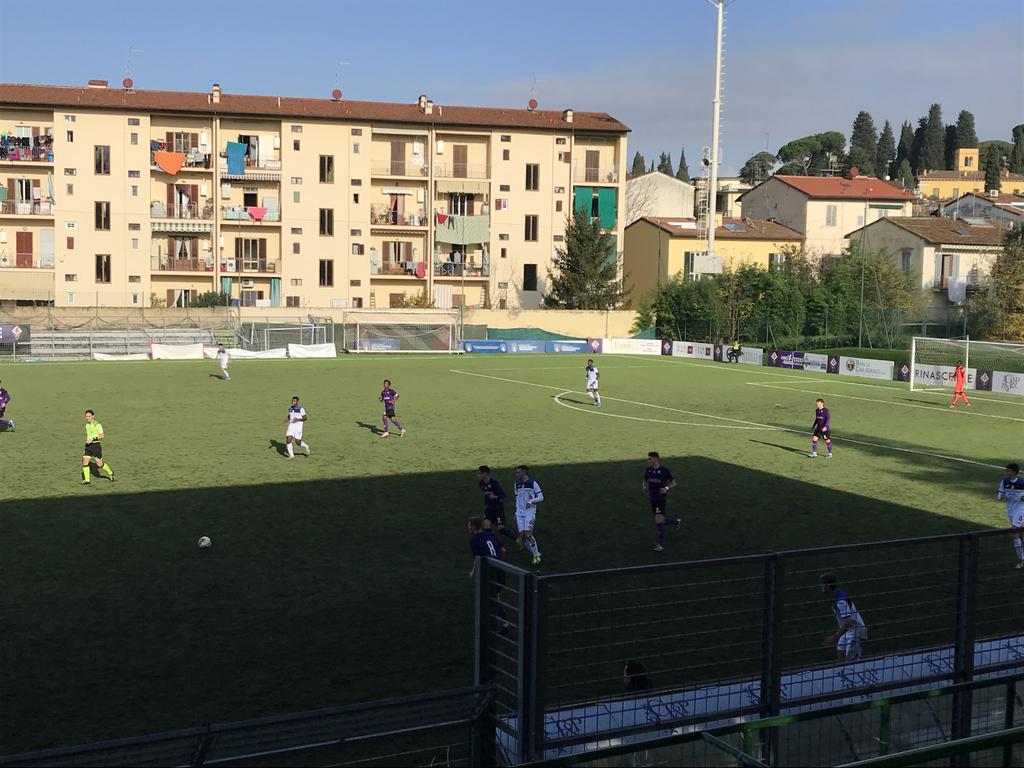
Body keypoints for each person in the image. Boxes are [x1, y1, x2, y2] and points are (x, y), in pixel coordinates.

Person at [468, 516, 509, 632]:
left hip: (490, 572)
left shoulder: (474, 540)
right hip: (501, 569)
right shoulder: (490, 534)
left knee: (489, 597)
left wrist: (473, 571)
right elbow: (503, 550)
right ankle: (503, 622)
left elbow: (478, 558)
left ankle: (496, 623)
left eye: (469, 525)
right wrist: (501, 563)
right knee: (495, 596)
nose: (468, 528)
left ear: (473, 527)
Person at [821, 573, 868, 661]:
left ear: (828, 586)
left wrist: (834, 637)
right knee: (840, 656)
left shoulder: (841, 601)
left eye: (823, 584)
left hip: (857, 631)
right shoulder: (836, 595)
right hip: (848, 631)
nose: (821, 586)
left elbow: (847, 622)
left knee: (851, 662)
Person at [644, 452, 681, 552]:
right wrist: (644, 487)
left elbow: (674, 483)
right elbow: (645, 479)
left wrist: (666, 488)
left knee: (658, 520)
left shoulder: (664, 471)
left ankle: (660, 545)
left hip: (660, 499)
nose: (648, 460)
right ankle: (676, 521)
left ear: (656, 459)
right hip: (652, 499)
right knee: (660, 519)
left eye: (649, 459)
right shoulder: (648, 470)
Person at [514, 465, 544, 566]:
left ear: (524, 473)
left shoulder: (533, 483)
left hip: (529, 513)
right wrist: (516, 512)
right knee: (522, 535)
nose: (516, 474)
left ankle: (536, 555)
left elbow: (541, 497)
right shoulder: (516, 484)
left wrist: (531, 501)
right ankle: (535, 553)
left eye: (518, 472)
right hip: (519, 513)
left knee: (528, 534)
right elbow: (517, 499)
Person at [478, 465, 517, 543]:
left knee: (501, 529)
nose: (479, 475)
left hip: (498, 509)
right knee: (486, 527)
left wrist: (495, 496)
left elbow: (503, 495)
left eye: (480, 473)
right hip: (488, 508)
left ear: (485, 474)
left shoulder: (494, 483)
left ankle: (517, 540)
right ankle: (491, 545)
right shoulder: (481, 483)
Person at [997, 462, 1024, 569]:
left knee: (1014, 533)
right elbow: (1000, 492)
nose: (1006, 472)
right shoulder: (1004, 482)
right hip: (1010, 511)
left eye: (1008, 471)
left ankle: (1021, 560)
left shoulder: (1022, 482)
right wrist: (999, 496)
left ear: (1014, 472)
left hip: (1020, 510)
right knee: (1020, 533)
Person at [81, 409, 115, 485]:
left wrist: (92, 439)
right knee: (85, 461)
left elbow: (102, 436)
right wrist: (87, 443)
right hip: (88, 446)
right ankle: (87, 480)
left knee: (99, 464)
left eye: (89, 416)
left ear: (93, 416)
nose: (87, 418)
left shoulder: (97, 425)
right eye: (86, 416)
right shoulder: (87, 425)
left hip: (96, 446)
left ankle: (110, 473)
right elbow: (89, 435)